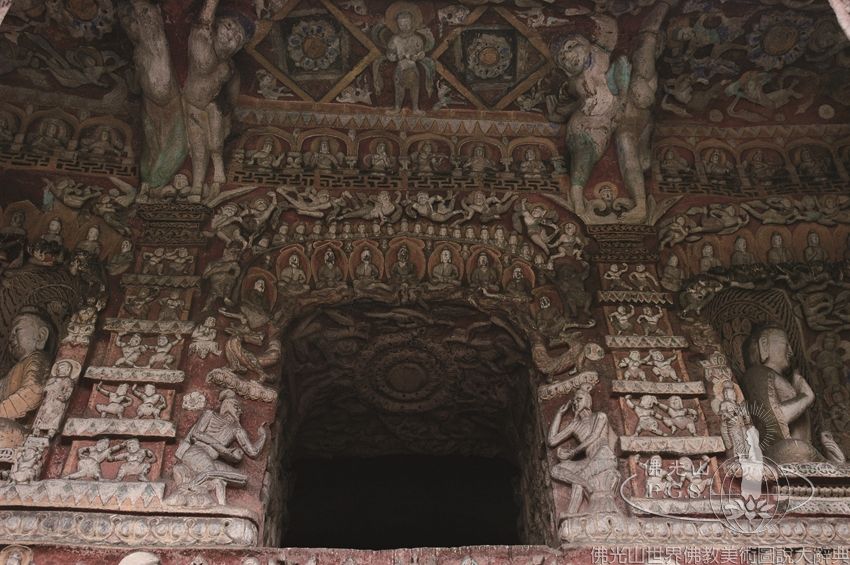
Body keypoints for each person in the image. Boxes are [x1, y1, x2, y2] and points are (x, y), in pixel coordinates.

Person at [183, 0, 253, 200]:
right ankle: (197, 185)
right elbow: (202, 24)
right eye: (228, 26)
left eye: (237, 38)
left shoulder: (230, 67)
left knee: (215, 142)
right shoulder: (202, 45)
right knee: (197, 147)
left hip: (212, 106)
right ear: (215, 28)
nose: (231, 35)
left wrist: (228, 112)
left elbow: (232, 95)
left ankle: (218, 163)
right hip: (190, 105)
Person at [739, 325, 840, 463]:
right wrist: (806, 397)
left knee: (804, 449)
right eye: (785, 344)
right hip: (778, 450)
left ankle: (832, 463)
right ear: (764, 344)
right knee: (797, 449)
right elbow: (771, 421)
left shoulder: (782, 379)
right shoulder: (757, 373)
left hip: (799, 449)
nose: (791, 352)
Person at [548, 384, 620, 515]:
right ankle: (586, 485)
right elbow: (552, 441)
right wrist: (559, 414)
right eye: (574, 400)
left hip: (604, 456)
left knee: (580, 475)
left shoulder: (600, 416)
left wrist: (572, 452)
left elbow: (594, 436)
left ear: (587, 400)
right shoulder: (575, 425)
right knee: (555, 470)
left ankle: (572, 513)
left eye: (579, 399)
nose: (576, 403)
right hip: (589, 460)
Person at [0, 312, 52, 449]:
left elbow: (32, 392)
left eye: (17, 330)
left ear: (41, 336)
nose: (11, 336)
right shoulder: (12, 372)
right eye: (10, 331)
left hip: (21, 429)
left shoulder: (37, 359)